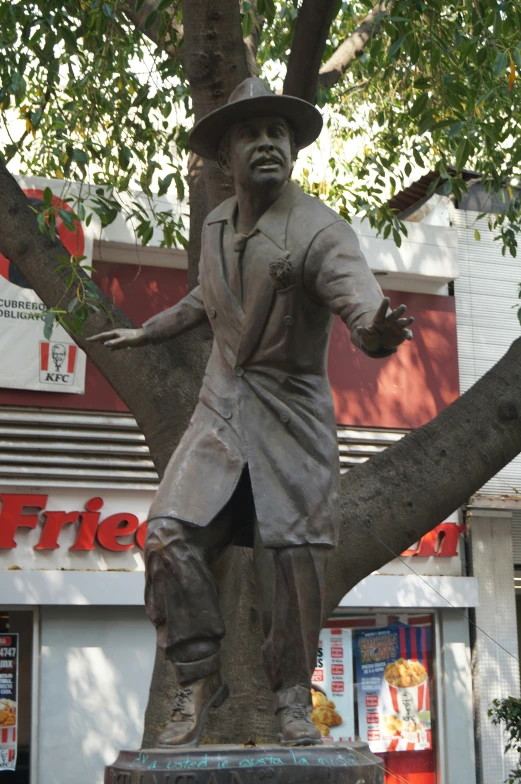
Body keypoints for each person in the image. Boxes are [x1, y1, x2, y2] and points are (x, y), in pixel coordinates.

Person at [88, 78, 413, 748]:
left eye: (278, 134)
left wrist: (377, 330)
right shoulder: (213, 221)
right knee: (167, 535)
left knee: (294, 563)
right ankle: (196, 673)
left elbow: (360, 303)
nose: (267, 144)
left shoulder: (320, 231)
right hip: (221, 408)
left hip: (290, 416)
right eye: (250, 134)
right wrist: (149, 332)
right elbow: (207, 300)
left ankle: (292, 699)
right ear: (225, 154)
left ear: (292, 148)